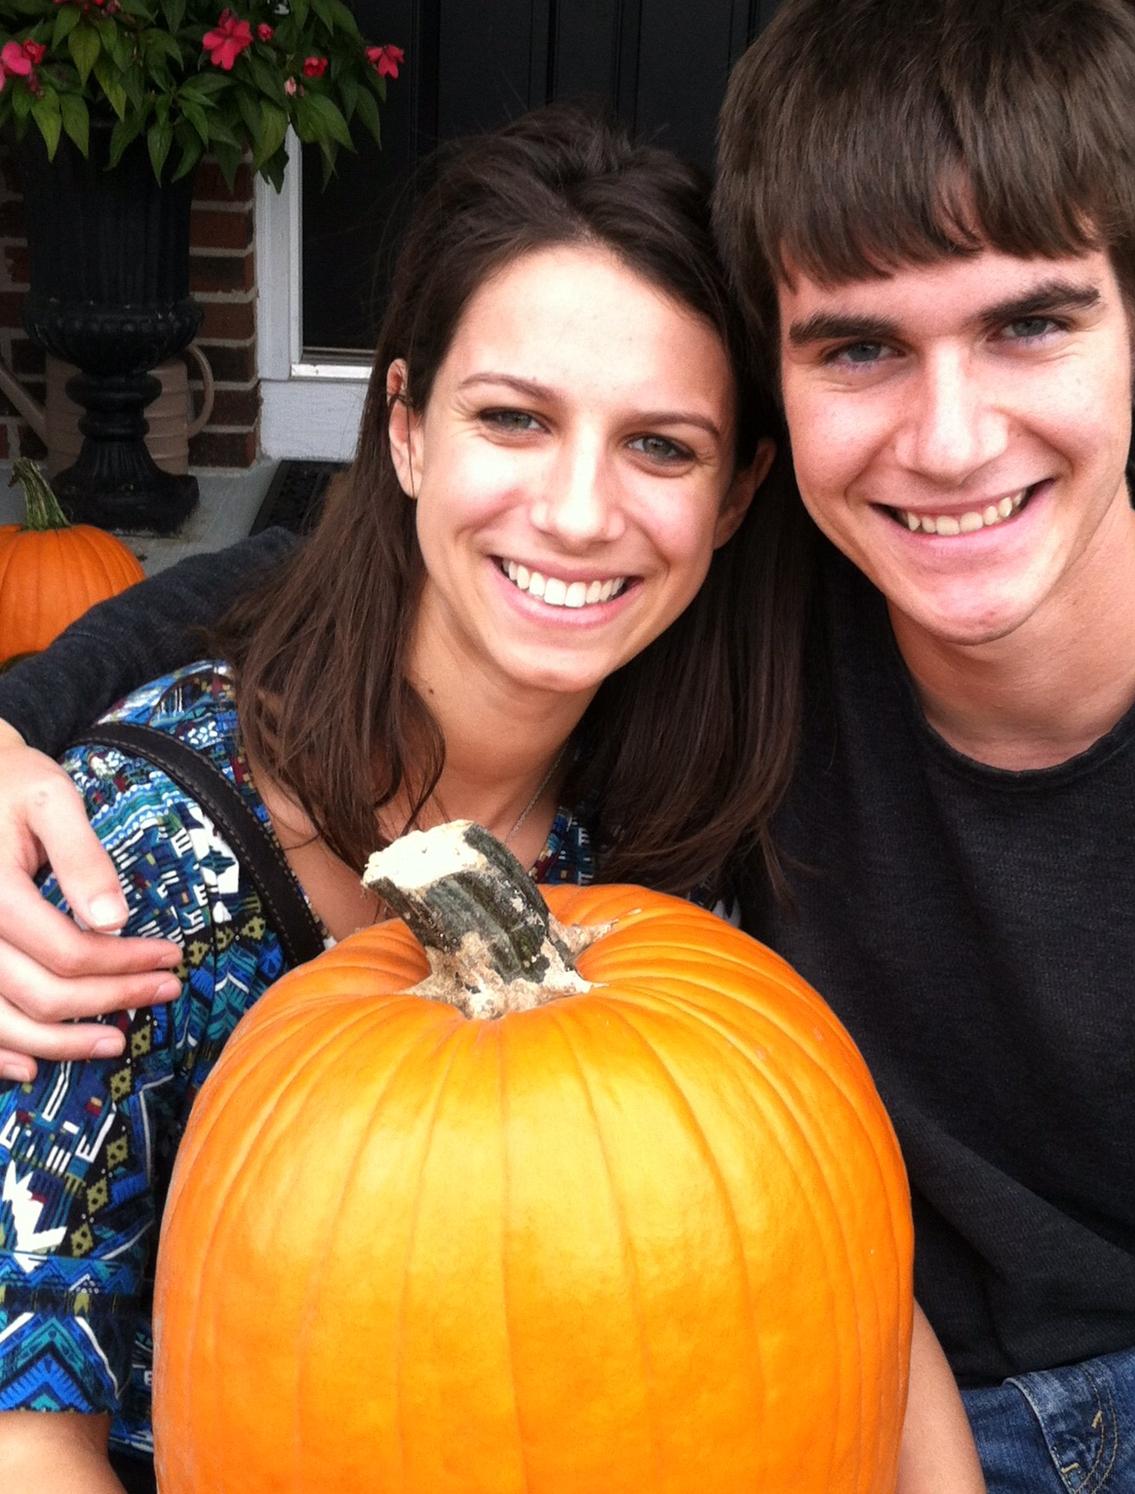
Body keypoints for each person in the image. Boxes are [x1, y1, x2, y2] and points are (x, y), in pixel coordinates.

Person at [0, 2, 1135, 1488]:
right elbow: (336, 579)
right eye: (857, 346)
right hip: (727, 1389)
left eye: (1028, 322)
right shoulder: (705, 596)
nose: (950, 439)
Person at [0, 108, 981, 1492]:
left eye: (660, 446)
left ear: (739, 492)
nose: (579, 511)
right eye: (513, 419)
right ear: (404, 430)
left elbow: (816, 1265)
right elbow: (24, 1440)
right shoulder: (126, 865)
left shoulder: (654, 844)